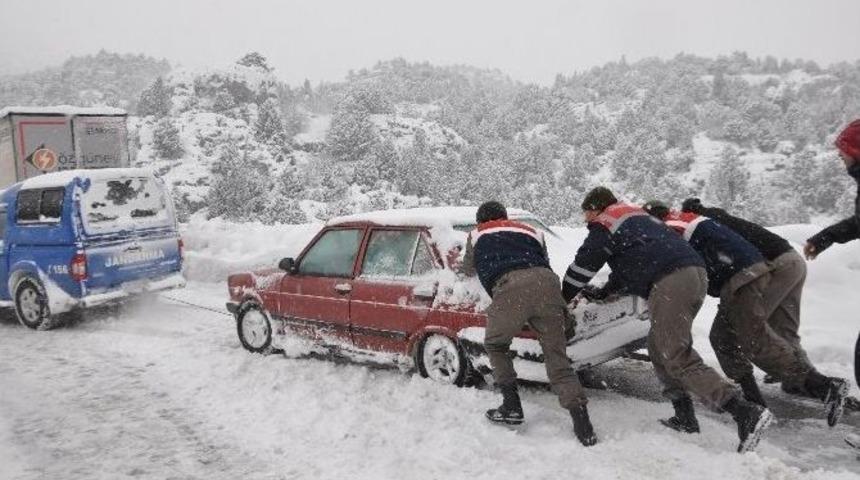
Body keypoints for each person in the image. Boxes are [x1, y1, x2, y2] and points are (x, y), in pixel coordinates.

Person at [565, 187, 772, 453]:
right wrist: (604, 291)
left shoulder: (604, 222)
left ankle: (742, 410)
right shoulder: (635, 217)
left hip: (671, 281)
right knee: (657, 345)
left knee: (675, 353)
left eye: (586, 213)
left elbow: (584, 264)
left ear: (595, 207)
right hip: (694, 275)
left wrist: (563, 296)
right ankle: (683, 414)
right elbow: (634, 263)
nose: (586, 220)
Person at [644, 202, 849, 427]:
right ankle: (789, 390)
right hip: (771, 265)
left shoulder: (674, 228)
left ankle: (814, 388)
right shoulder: (695, 219)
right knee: (764, 334)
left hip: (753, 273)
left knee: (746, 340)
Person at [462, 201, 597, 446]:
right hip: (547, 284)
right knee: (557, 357)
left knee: (496, 345)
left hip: (510, 287)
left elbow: (467, 269)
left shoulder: (477, 233)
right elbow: (542, 259)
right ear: (506, 216)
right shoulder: (532, 230)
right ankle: (583, 424)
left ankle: (511, 406)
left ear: (481, 220)